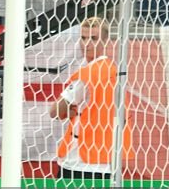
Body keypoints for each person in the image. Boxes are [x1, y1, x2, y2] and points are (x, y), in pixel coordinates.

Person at [50, 16, 131, 179]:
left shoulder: (86, 75)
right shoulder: (114, 71)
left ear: (106, 41)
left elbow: (55, 112)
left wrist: (69, 109)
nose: (87, 43)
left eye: (93, 38)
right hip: (108, 161)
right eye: (83, 37)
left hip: (79, 160)